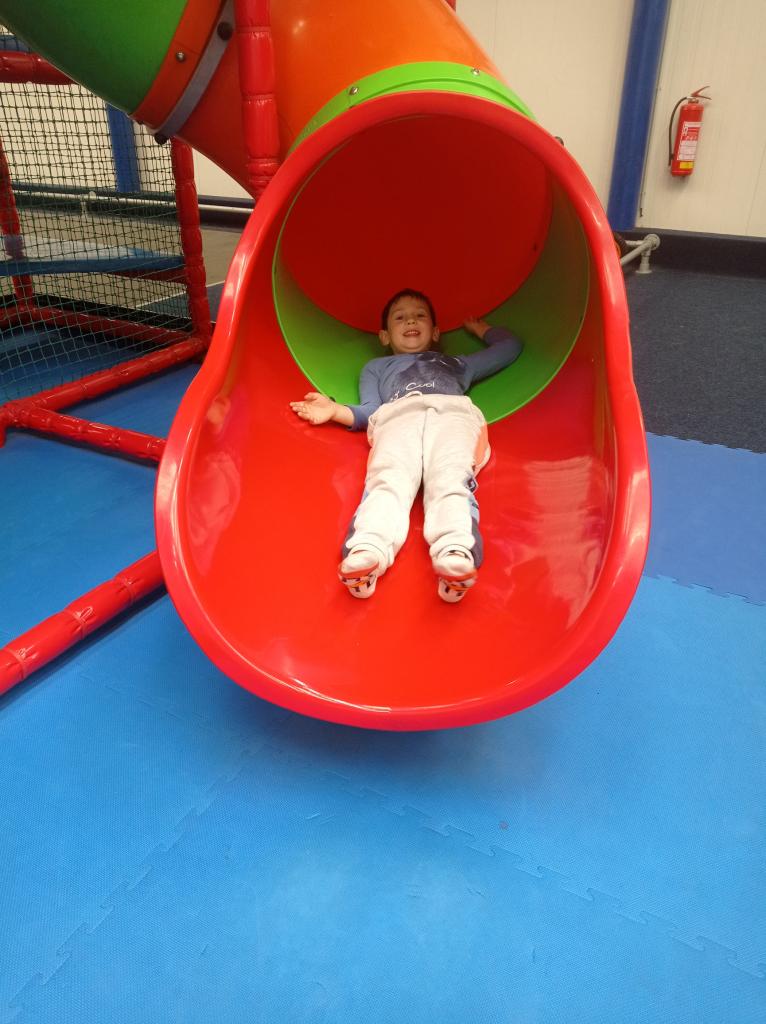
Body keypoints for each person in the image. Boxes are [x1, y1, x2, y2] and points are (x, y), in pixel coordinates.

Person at [289, 289, 523, 602]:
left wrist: (481, 329)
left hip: (452, 416)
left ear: (435, 332)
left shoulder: (457, 363)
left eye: (419, 315)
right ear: (385, 336)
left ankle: (456, 554)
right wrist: (334, 410)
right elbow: (370, 411)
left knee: (450, 478)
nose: (410, 320)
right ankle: (367, 551)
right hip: (397, 419)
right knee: (388, 480)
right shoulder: (376, 367)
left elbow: (509, 348)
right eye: (400, 317)